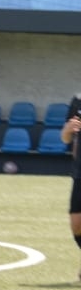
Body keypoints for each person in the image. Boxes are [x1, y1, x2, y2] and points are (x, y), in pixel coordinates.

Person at [60, 96, 81, 280]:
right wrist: (67, 130)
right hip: (80, 173)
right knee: (76, 225)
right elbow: (66, 138)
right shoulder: (78, 100)